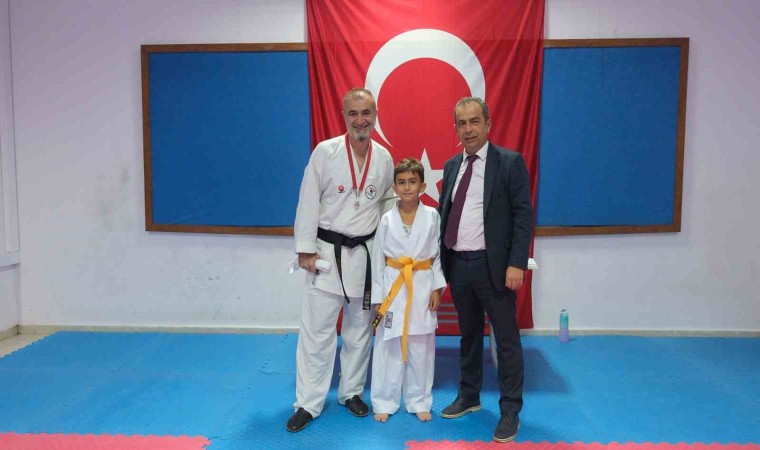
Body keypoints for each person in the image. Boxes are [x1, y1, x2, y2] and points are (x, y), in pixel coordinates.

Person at [287, 88, 394, 432]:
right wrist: (305, 249)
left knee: (359, 331)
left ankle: (351, 392)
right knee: (317, 333)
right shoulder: (326, 152)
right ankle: (308, 402)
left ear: (375, 115)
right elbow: (307, 199)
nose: (360, 120)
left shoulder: (384, 158)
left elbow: (387, 207)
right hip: (326, 255)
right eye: (353, 113)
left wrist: (390, 253)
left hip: (365, 257)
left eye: (366, 113)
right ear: (344, 116)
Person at [438, 97, 533, 443]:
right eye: (461, 123)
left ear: (488, 124)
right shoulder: (452, 166)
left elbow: (523, 216)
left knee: (506, 341)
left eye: (474, 121)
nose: (468, 129)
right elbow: (446, 215)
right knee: (468, 335)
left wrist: (516, 262)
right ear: (455, 128)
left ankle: (510, 410)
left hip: (494, 266)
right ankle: (469, 395)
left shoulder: (509, 162)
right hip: (459, 265)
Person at [369, 158, 446, 423]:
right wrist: (378, 297)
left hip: (422, 284)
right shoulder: (386, 219)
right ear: (394, 187)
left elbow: (438, 256)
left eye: (413, 182)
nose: (407, 187)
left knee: (421, 347)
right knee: (388, 346)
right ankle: (384, 400)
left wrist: (437, 288)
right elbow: (377, 259)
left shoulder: (432, 216)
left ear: (423, 186)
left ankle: (419, 400)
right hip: (393, 287)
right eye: (401, 182)